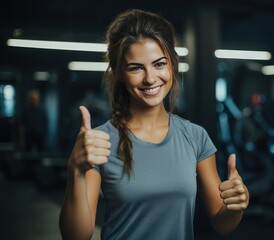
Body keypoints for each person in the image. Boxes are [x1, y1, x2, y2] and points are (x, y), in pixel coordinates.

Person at [59, 9, 249, 240]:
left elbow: (222, 224)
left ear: (172, 65)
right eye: (136, 67)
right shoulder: (99, 143)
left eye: (159, 64)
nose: (150, 78)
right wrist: (75, 171)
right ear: (119, 73)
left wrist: (235, 206)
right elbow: (76, 237)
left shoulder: (195, 136)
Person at [19, 89, 48, 153]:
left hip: (39, 136)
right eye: (32, 98)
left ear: (38, 99)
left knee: (41, 153)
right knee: (27, 153)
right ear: (29, 99)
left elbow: (45, 124)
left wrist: (45, 137)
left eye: (35, 98)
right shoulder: (26, 111)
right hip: (28, 136)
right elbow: (22, 125)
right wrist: (22, 138)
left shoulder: (42, 110)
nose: (34, 100)